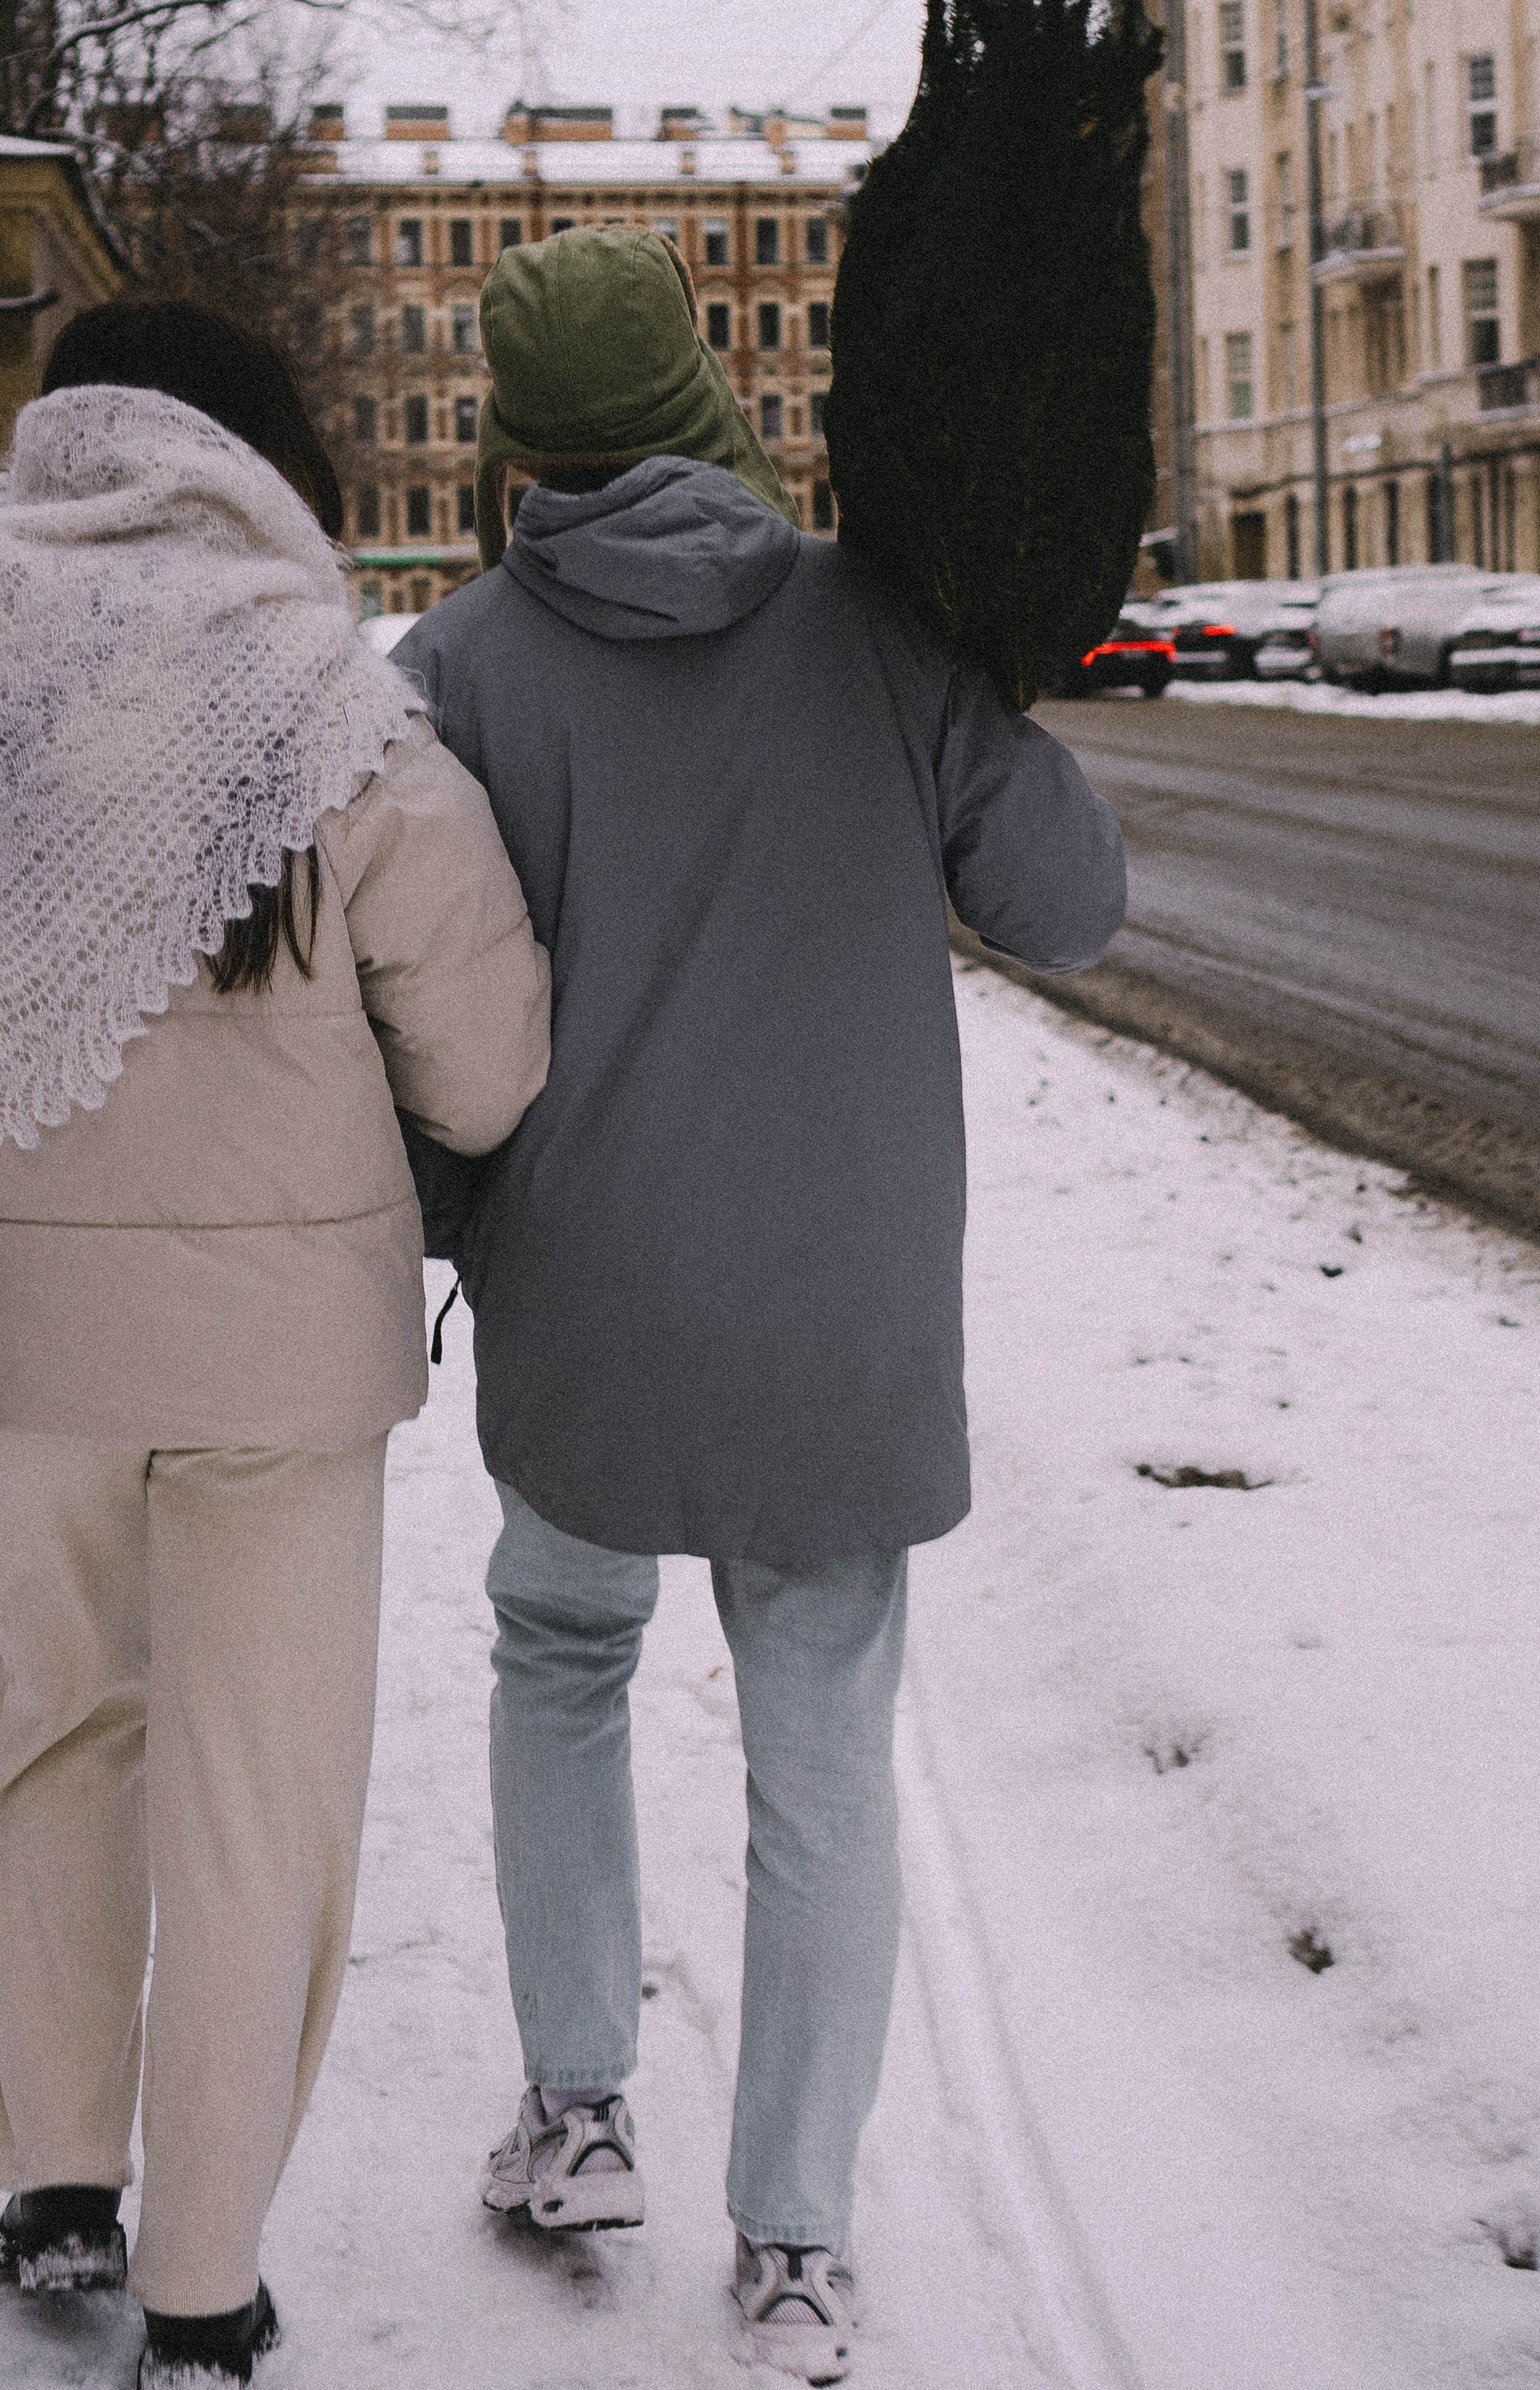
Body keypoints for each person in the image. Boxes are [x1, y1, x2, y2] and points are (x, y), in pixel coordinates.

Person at [395, 225, 1124, 2381]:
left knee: (563, 1651)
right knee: (821, 1752)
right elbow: (1071, 909)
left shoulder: (453, 669)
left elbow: (425, 1024)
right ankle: (796, 2240)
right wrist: (980, 688)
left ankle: (579, 2105)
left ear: (518, 434)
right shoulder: (885, 627)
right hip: (845, 1314)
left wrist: (453, 1232)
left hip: (590, 1303)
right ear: (714, 387)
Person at [0, 301, 550, 2389]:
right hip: (273, 1373)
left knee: (66, 1723)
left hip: (18, 1346)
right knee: (252, 1794)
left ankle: (61, 2180)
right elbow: (488, 1069)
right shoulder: (327, 711)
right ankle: (204, 2291)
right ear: (256, 452)